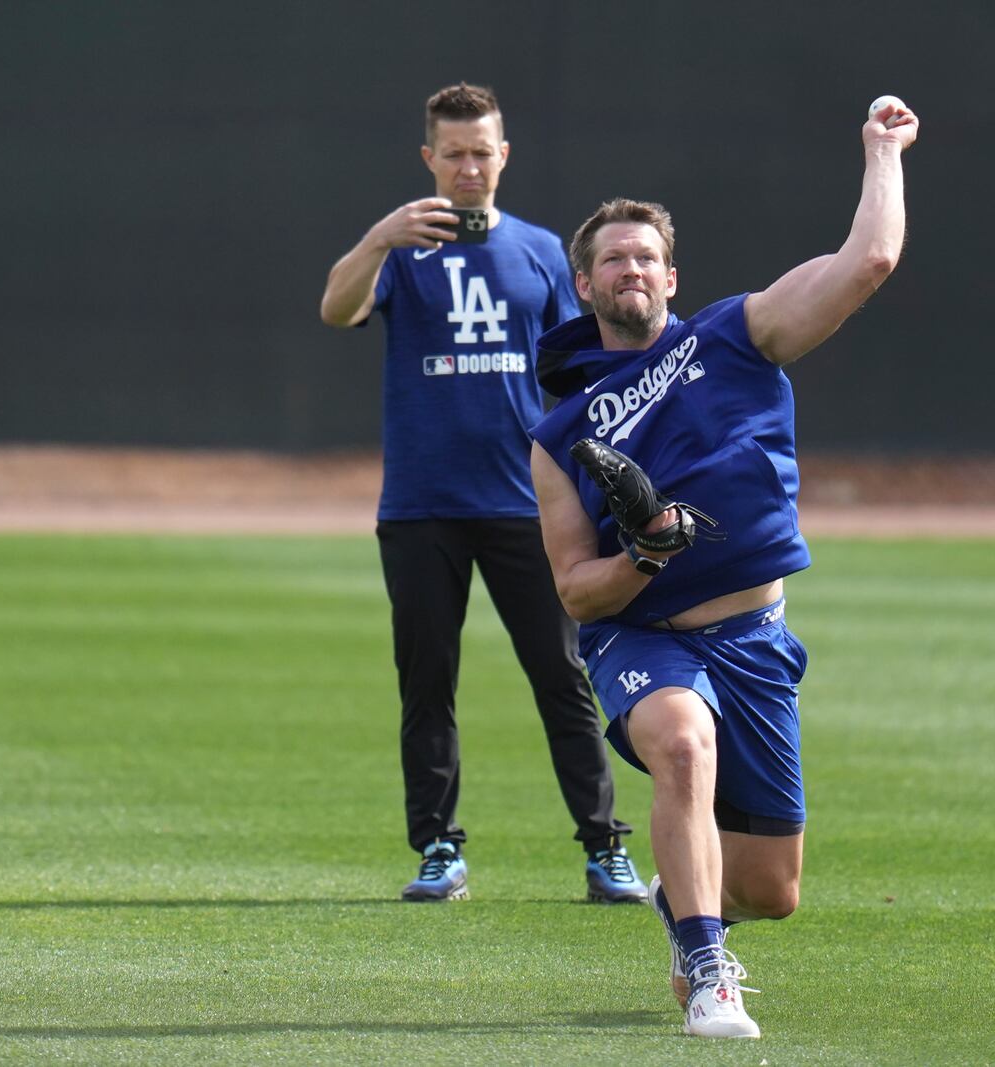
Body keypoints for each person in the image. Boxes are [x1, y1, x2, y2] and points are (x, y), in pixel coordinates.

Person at [528, 97, 918, 1038]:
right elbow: (577, 589)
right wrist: (646, 553)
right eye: (613, 257)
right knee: (682, 745)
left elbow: (867, 261)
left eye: (647, 256)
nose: (632, 267)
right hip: (644, 635)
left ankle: (688, 901)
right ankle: (709, 970)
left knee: (771, 889)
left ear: (673, 276)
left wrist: (881, 151)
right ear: (585, 284)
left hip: (755, 639)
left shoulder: (735, 335)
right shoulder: (561, 436)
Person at [318, 82, 645, 906]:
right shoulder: (400, 250)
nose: (468, 167)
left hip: (527, 503)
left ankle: (605, 848)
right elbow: (334, 309)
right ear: (429, 159)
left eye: (481, 150)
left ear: (505, 154)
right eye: (453, 153)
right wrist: (378, 238)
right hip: (423, 504)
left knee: (564, 676)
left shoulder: (537, 250)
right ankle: (437, 846)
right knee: (428, 681)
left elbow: (580, 365)